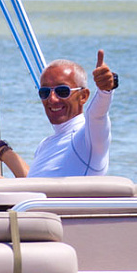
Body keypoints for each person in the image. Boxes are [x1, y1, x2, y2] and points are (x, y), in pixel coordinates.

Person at [24, 49, 120, 177]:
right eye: (45, 92)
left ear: (83, 96)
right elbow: (32, 184)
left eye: (62, 91)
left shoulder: (88, 138)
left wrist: (106, 90)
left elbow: (97, 115)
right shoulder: (45, 145)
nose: (52, 99)